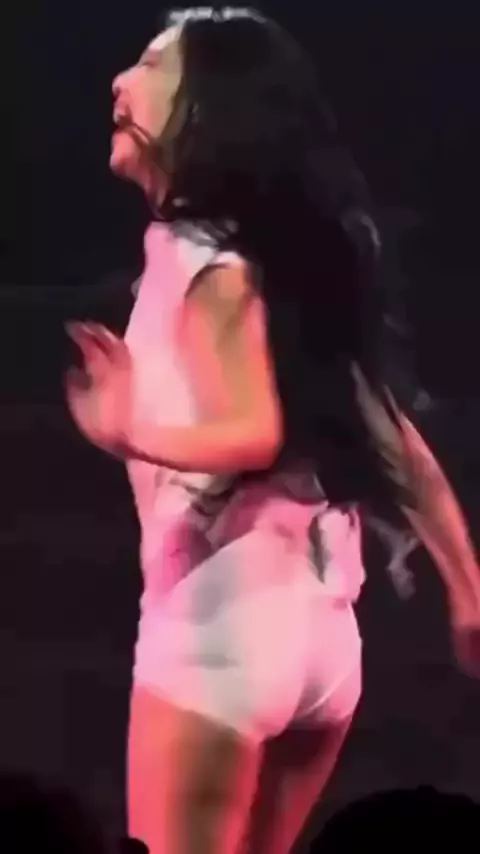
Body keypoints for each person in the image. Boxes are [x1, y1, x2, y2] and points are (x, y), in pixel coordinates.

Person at [65, 7, 480, 854]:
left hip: (222, 635)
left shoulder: (195, 254)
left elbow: (252, 429)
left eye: (151, 65)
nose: (119, 81)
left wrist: (130, 429)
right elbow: (394, 439)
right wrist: (469, 591)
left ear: (204, 111)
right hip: (323, 642)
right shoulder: (276, 264)